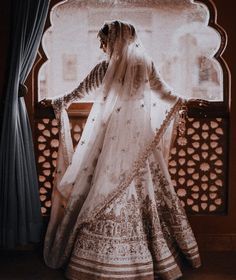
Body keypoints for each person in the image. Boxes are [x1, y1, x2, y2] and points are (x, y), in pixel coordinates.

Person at [42, 20, 208, 280]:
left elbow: (80, 91)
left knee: (104, 185)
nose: (101, 46)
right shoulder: (143, 67)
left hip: (111, 140)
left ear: (115, 41)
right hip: (138, 141)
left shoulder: (107, 68)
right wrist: (185, 100)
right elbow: (165, 93)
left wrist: (59, 101)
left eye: (103, 41)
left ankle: (100, 261)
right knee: (140, 189)